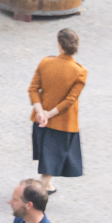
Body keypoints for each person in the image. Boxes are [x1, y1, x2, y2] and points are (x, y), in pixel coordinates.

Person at [30, 28, 87, 194]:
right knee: (56, 157)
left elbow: (33, 89)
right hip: (63, 123)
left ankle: (48, 185)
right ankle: (38, 189)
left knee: (49, 156)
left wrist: (41, 112)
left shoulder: (45, 63)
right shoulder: (79, 72)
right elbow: (70, 101)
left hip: (40, 119)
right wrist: (49, 114)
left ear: (59, 45)